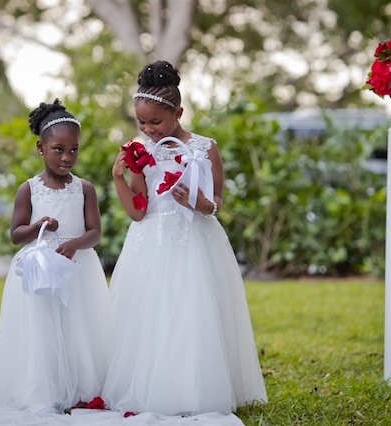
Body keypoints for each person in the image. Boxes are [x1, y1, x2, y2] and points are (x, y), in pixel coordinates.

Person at [102, 60, 268, 416]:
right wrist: (119, 178)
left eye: (156, 122)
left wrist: (197, 201)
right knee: (149, 313)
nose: (149, 130)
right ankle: (149, 385)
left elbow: (216, 203)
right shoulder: (140, 152)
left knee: (193, 311)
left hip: (195, 241)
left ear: (178, 112)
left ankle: (195, 386)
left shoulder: (205, 148)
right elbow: (137, 211)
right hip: (150, 241)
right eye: (141, 122)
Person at [0, 99, 111, 415]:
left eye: (74, 149)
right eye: (59, 149)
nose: (67, 157)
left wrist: (74, 243)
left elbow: (95, 232)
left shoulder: (84, 189)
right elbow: (16, 234)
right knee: (42, 328)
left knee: (78, 328)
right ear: (40, 148)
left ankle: (80, 384)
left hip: (77, 268)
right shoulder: (28, 189)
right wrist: (38, 226)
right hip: (40, 267)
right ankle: (43, 386)